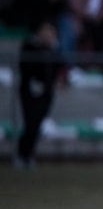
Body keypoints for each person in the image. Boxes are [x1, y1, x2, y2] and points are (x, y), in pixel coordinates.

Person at [16, 20, 61, 168]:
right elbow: (25, 67)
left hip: (46, 92)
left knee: (37, 124)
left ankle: (28, 155)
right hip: (29, 91)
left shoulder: (54, 49)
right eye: (46, 31)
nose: (49, 35)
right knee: (30, 123)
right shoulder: (30, 46)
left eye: (51, 32)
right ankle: (22, 154)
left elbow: (57, 68)